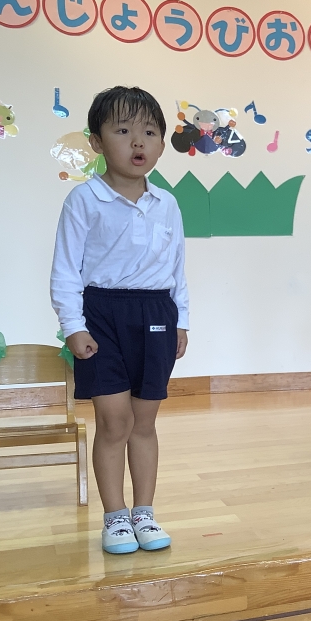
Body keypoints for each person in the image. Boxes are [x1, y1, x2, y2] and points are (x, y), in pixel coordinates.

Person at [51, 86, 188, 553]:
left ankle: (144, 513)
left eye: (149, 132)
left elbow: (177, 270)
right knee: (114, 422)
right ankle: (114, 517)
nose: (137, 142)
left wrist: (182, 321)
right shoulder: (84, 199)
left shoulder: (167, 203)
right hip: (101, 315)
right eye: (123, 130)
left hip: (156, 314)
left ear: (161, 143)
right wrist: (73, 326)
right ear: (96, 142)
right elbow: (65, 271)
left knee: (144, 423)